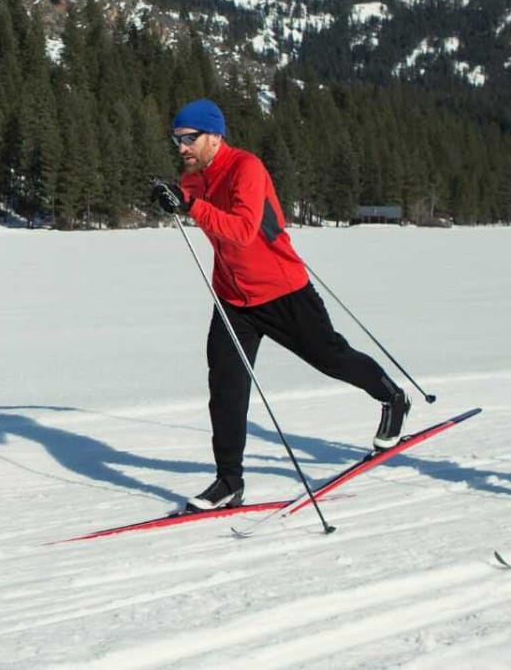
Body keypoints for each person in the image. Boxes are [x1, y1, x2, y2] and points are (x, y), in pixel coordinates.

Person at [150, 98, 410, 513]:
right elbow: (189, 200)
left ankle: (392, 397)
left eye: (189, 138)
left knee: (331, 357)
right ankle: (229, 482)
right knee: (226, 388)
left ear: (215, 137)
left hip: (283, 291)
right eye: (176, 138)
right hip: (234, 300)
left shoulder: (246, 168)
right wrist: (171, 197)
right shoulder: (194, 177)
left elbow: (242, 229)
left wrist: (191, 206)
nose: (181, 146)